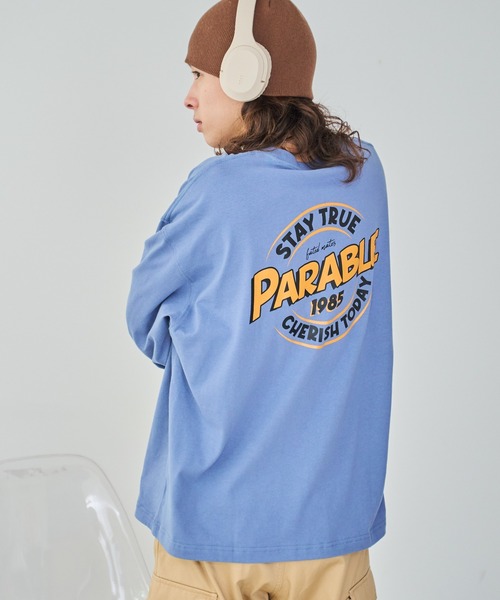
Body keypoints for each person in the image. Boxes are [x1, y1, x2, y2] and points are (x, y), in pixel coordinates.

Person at [126, 0, 393, 598]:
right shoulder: (365, 172)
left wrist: (223, 345)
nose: (189, 96)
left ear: (247, 74)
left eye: (200, 74)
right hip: (332, 530)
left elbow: (145, 317)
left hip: (212, 531)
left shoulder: (215, 189)